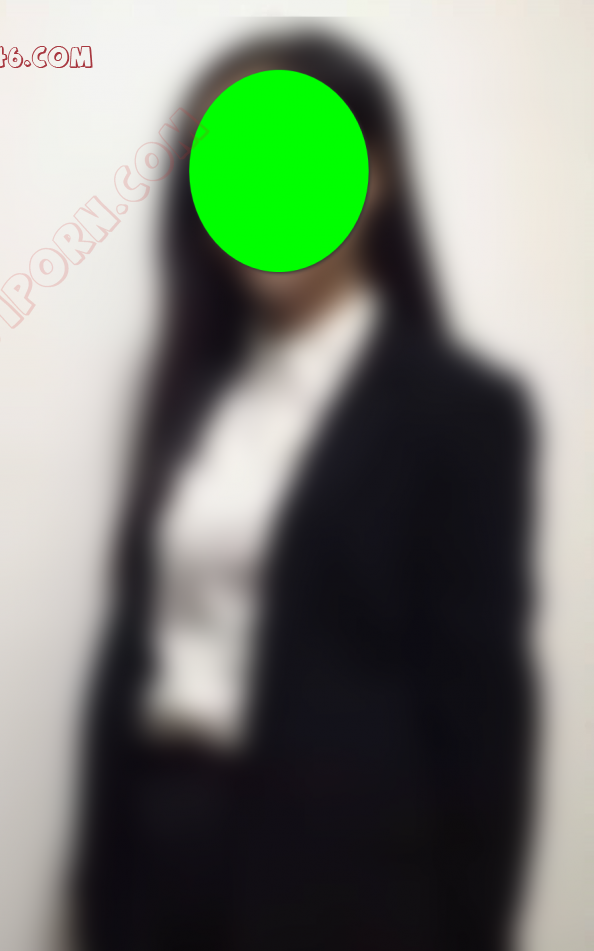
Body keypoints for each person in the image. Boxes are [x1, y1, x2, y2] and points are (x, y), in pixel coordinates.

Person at [70, 31, 537, 951]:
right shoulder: (195, 393)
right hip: (161, 865)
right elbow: (141, 643)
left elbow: (482, 719)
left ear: (375, 178)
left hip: (343, 895)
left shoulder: (461, 413)